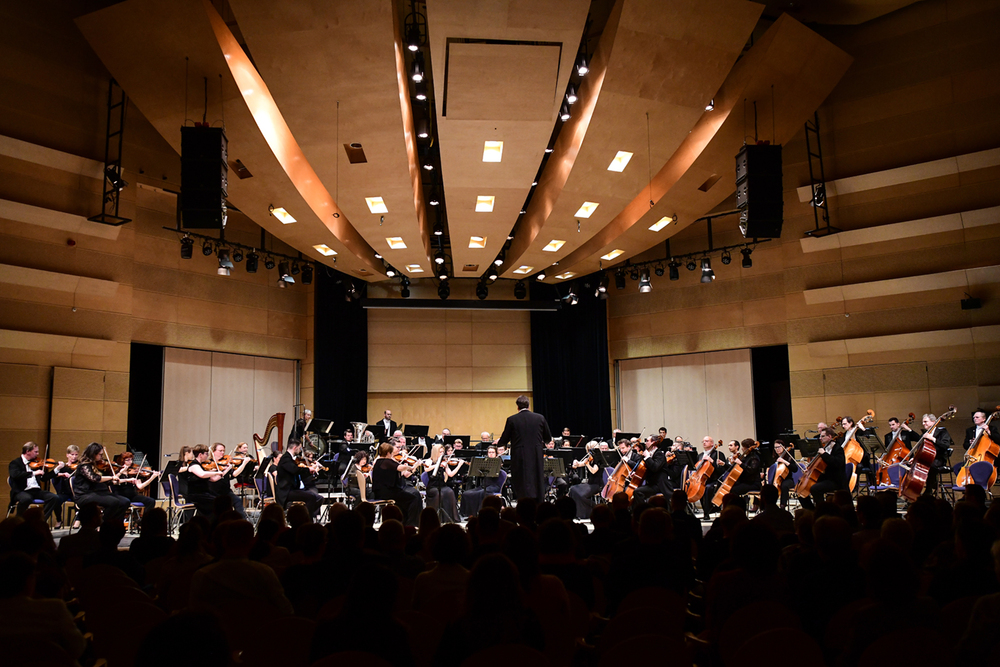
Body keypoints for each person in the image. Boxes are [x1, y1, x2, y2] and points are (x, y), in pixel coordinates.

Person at [496, 395, 550, 501]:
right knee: (536, 478)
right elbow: (548, 438)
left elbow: (504, 439)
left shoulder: (512, 419)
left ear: (517, 407)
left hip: (519, 455)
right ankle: (538, 505)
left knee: (521, 479)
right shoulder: (540, 418)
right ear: (529, 406)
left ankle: (522, 504)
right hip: (536, 455)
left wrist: (500, 442)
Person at [73, 442, 131, 523]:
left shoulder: (98, 465)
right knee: (113, 502)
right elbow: (95, 478)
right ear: (93, 454)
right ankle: (101, 524)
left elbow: (105, 481)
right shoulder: (84, 466)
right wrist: (111, 477)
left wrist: (114, 481)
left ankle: (115, 524)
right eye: (100, 454)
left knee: (125, 502)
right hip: (85, 495)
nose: (102, 457)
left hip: (100, 493)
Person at [8, 442, 61, 522]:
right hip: (21, 491)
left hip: (36, 491)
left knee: (54, 497)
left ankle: (40, 521)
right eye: (35, 451)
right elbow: (15, 475)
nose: (38, 453)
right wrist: (33, 473)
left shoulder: (36, 463)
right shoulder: (15, 463)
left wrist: (57, 469)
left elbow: (44, 478)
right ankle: (19, 521)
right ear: (28, 451)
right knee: (26, 499)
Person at [371, 442, 422, 525]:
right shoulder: (387, 461)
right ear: (388, 453)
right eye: (391, 453)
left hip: (380, 492)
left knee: (404, 501)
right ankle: (412, 524)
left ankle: (403, 523)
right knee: (413, 499)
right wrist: (409, 467)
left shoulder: (378, 461)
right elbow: (400, 467)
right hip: (387, 492)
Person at [799, 427, 846, 509]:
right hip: (825, 478)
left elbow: (837, 463)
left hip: (835, 480)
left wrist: (824, 454)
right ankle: (811, 510)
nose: (820, 438)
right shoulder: (824, 448)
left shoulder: (838, 449)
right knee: (800, 491)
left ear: (830, 437)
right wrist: (809, 469)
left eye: (823, 436)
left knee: (815, 489)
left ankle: (822, 510)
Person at [276, 439, 323, 517]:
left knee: (318, 497)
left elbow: (296, 470)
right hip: (286, 491)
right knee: (311, 497)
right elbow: (294, 470)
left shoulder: (289, 458)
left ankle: (304, 516)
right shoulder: (285, 459)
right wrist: (308, 469)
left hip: (292, 489)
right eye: (299, 448)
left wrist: (310, 470)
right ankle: (307, 520)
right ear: (295, 448)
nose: (300, 450)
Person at [185, 444, 230, 518]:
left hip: (204, 494)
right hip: (196, 495)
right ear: (200, 455)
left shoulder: (201, 466)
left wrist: (226, 470)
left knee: (222, 501)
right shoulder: (194, 465)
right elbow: (202, 474)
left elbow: (214, 479)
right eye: (206, 453)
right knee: (217, 503)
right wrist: (215, 472)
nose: (207, 455)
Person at [914, 412, 953, 495]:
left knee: (929, 465)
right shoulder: (923, 435)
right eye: (923, 422)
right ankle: (913, 491)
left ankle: (929, 490)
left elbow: (945, 446)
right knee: (910, 465)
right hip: (925, 458)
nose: (923, 423)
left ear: (933, 422)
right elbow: (919, 449)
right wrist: (914, 459)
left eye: (925, 421)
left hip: (938, 458)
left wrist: (933, 439)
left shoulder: (942, 432)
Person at [208, 443, 250, 519]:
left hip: (226, 491)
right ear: (213, 451)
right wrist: (225, 469)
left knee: (237, 501)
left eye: (223, 451)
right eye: (220, 451)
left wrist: (244, 463)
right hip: (213, 492)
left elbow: (234, 474)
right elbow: (213, 479)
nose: (223, 453)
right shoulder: (209, 464)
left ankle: (242, 522)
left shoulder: (226, 463)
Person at [460, 445, 503, 518]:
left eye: (493, 452)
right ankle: (469, 514)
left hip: (494, 486)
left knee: (482, 493)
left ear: (496, 454)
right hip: (484, 485)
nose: (491, 454)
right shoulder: (484, 462)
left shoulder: (498, 462)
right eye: (489, 452)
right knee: (466, 493)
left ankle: (479, 513)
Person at [692, 436, 728, 520]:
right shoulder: (700, 455)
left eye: (707, 441)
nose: (704, 443)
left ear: (712, 443)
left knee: (707, 488)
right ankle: (705, 510)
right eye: (703, 441)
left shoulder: (718, 454)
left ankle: (707, 513)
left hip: (714, 480)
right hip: (702, 480)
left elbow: (722, 470)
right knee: (698, 489)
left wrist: (712, 461)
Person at [425, 444, 463, 521]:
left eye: (443, 452)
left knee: (450, 492)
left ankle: (450, 517)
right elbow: (426, 469)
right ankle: (437, 518)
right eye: (440, 452)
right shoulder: (429, 461)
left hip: (442, 485)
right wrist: (437, 465)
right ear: (435, 452)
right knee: (439, 494)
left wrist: (459, 465)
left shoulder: (444, 461)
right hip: (432, 487)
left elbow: (450, 474)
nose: (442, 454)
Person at [568, 441, 603, 519]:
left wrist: (587, 464)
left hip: (597, 485)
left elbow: (594, 470)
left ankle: (594, 507)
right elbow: (581, 464)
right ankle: (577, 513)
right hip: (590, 483)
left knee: (581, 495)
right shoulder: (590, 458)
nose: (589, 451)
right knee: (573, 489)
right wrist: (576, 463)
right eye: (588, 449)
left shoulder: (599, 459)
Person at [633, 435, 672, 503]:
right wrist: (636, 473)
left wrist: (647, 457)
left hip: (659, 485)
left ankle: (644, 510)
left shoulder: (659, 454)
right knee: (635, 490)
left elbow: (655, 468)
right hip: (652, 484)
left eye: (647, 441)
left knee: (638, 492)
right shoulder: (650, 454)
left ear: (653, 443)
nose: (645, 443)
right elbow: (646, 469)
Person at [771, 439, 798, 509]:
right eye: (775, 447)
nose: (777, 449)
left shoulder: (789, 457)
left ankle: (782, 506)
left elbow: (795, 469)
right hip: (776, 479)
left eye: (779, 447)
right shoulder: (774, 458)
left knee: (784, 486)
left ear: (783, 447)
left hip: (788, 479)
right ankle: (769, 506)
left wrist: (784, 462)